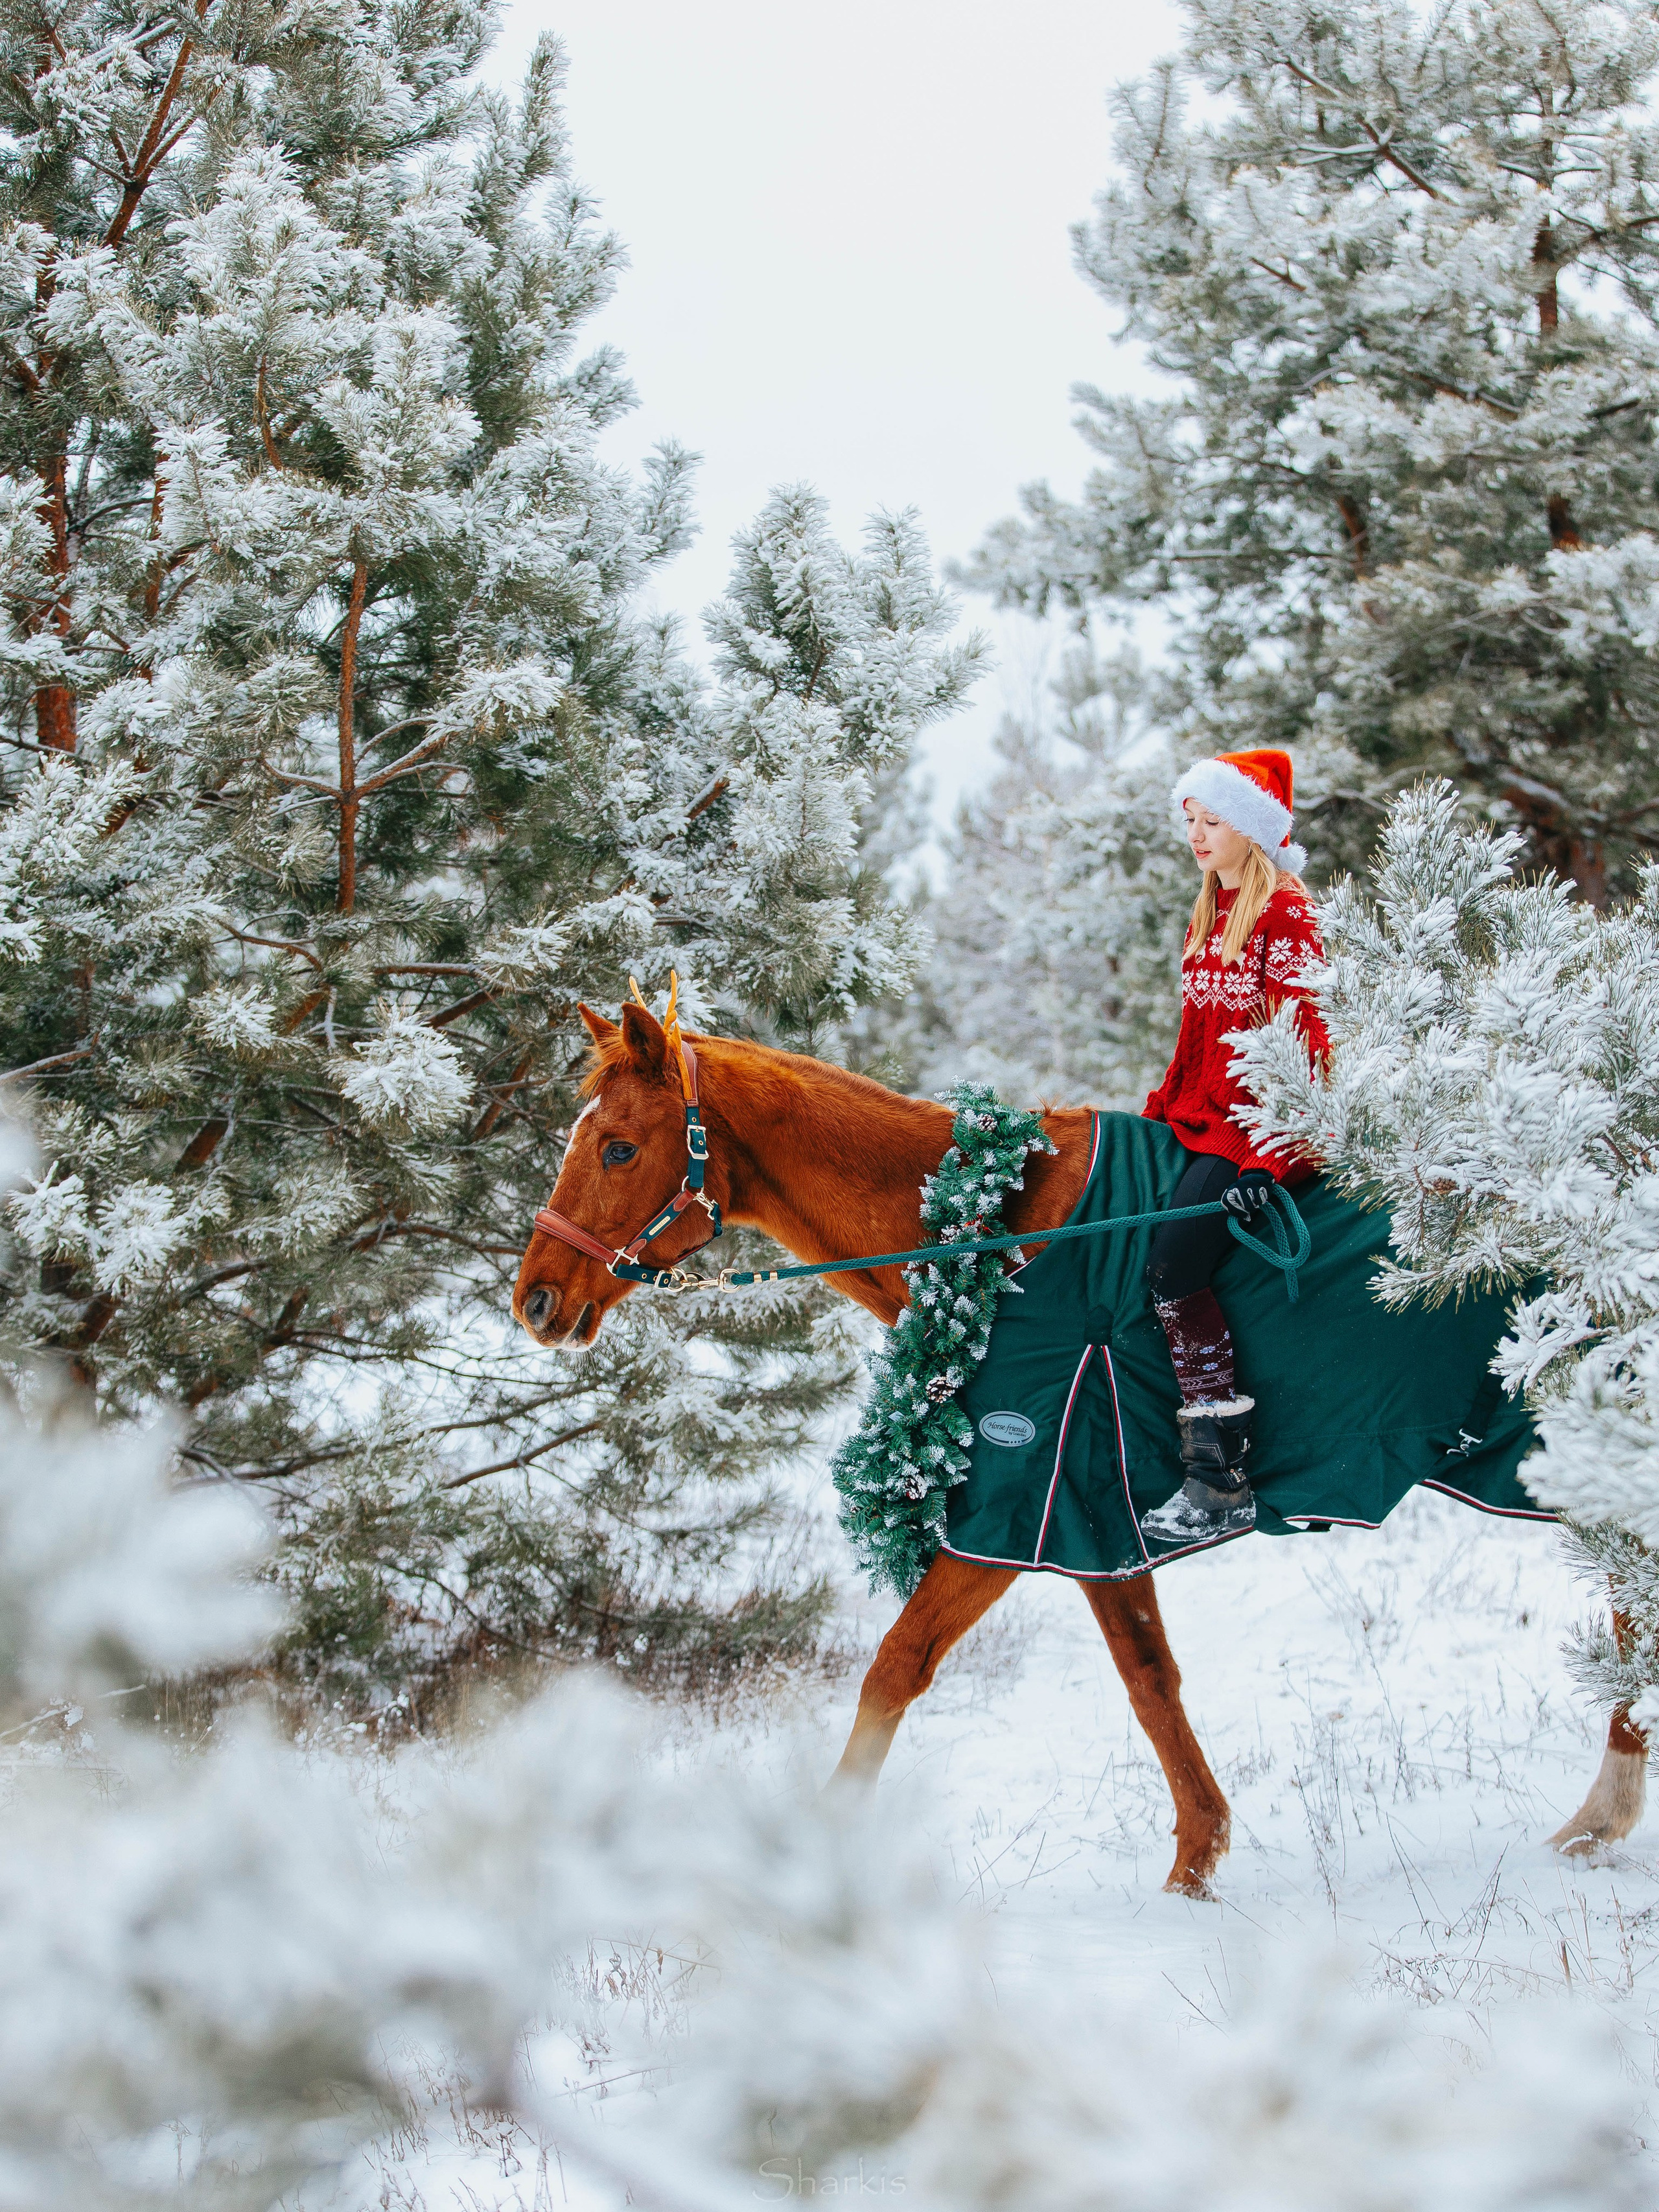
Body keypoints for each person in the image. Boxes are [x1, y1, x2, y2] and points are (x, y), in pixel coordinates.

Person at [1138, 749, 1328, 1544]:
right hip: (1199, 1114)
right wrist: (1155, 1115)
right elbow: (1197, 1037)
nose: (1197, 833)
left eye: (1212, 819)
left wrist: (1270, 1156)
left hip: (1253, 1129)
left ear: (1251, 829)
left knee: (1173, 1264)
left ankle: (1220, 1479)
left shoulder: (1285, 914)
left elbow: (1309, 1047)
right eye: (1190, 819)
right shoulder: (1208, 911)